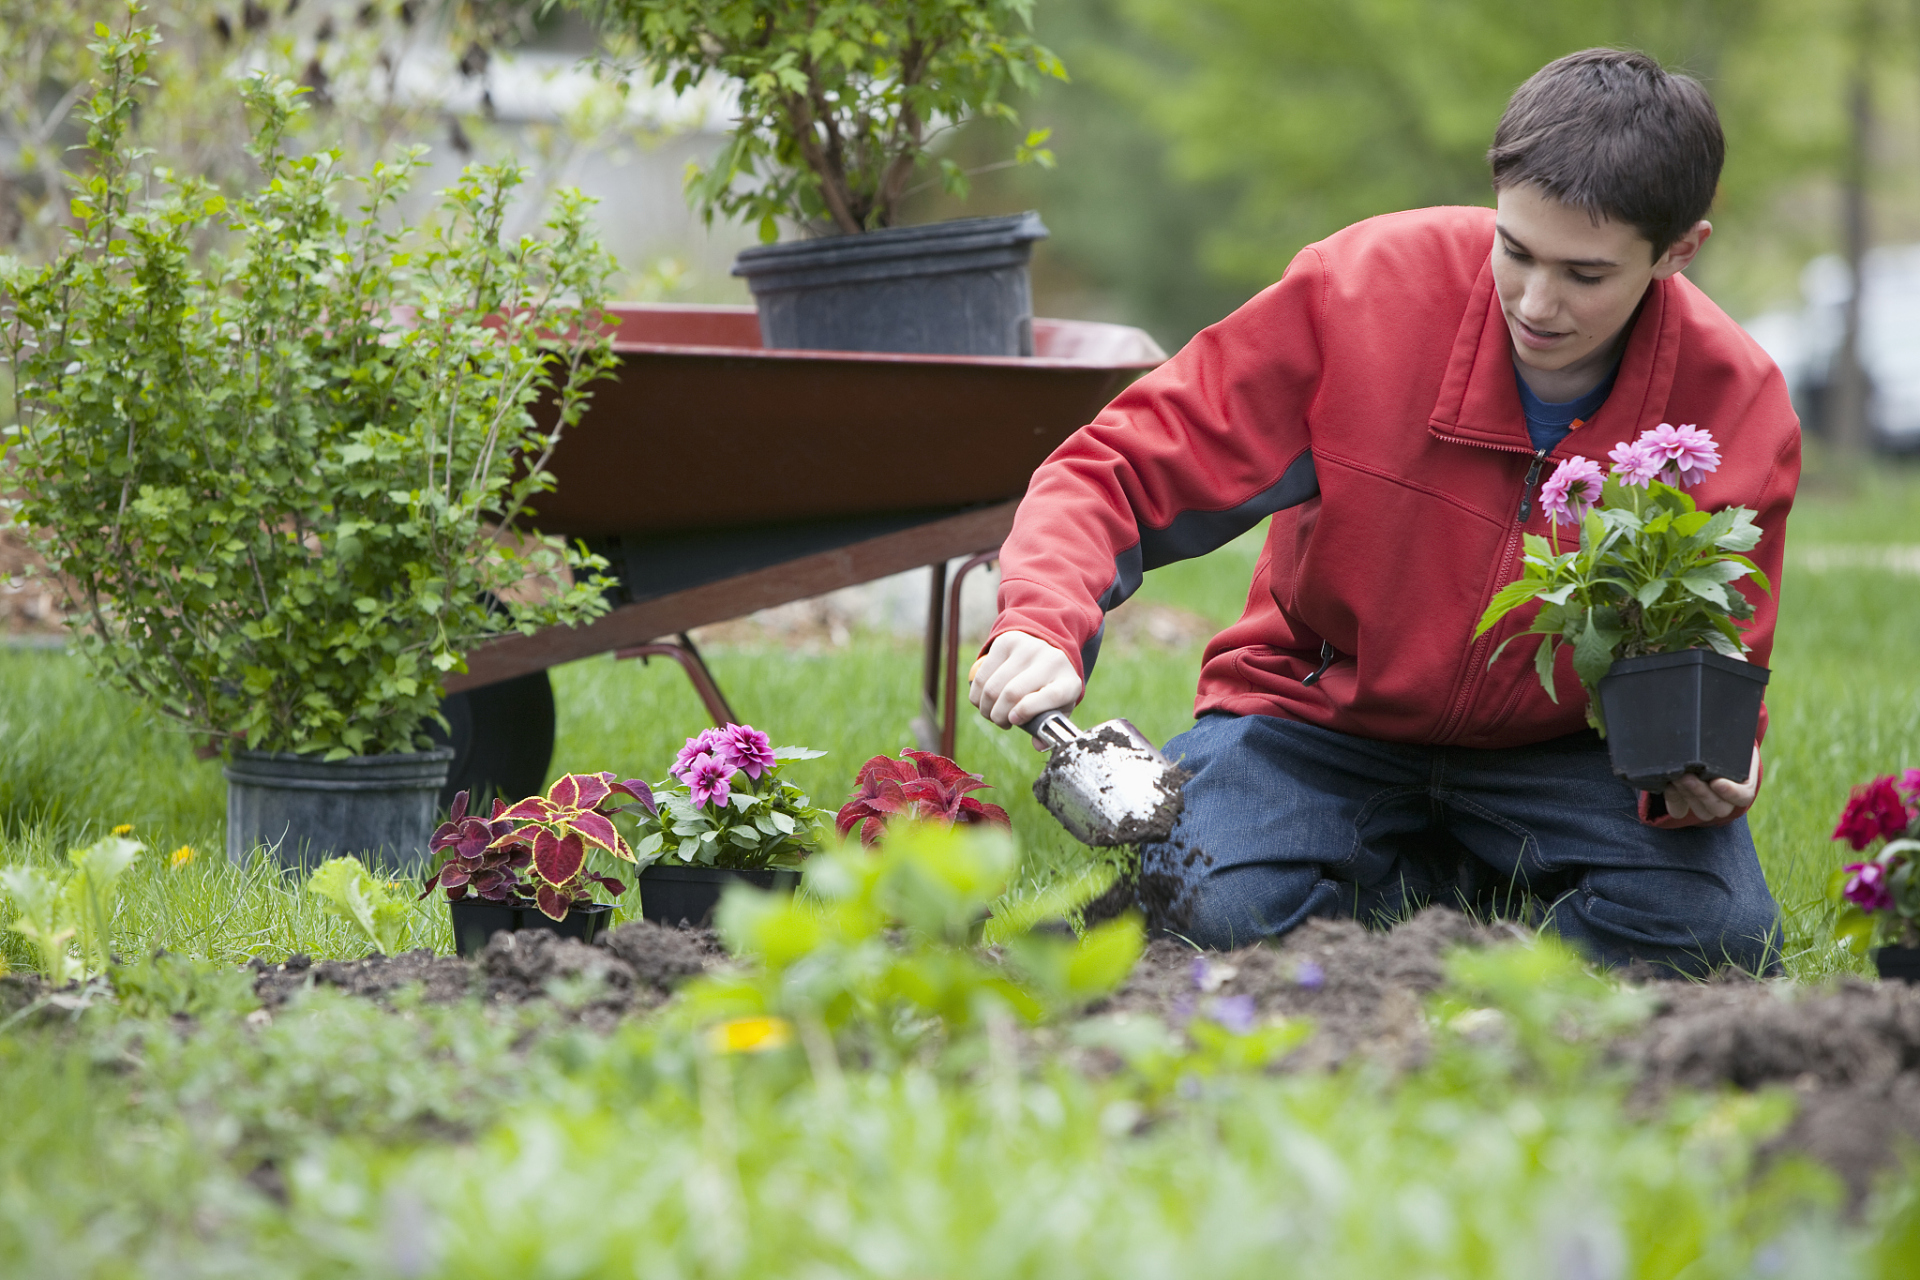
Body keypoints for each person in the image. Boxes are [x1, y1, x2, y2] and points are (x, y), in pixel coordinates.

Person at [967, 48, 1799, 976]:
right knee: (1203, 897)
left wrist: (1721, 766)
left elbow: (1718, 656)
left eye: (1585, 274)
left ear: (1679, 250)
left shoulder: (1736, 402)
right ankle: (1456, 899)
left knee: (1721, 933)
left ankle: (1426, 918)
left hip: (1565, 756)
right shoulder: (1359, 290)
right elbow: (1115, 467)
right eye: (1514, 250)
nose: (1535, 301)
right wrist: (1043, 619)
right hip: (1318, 723)